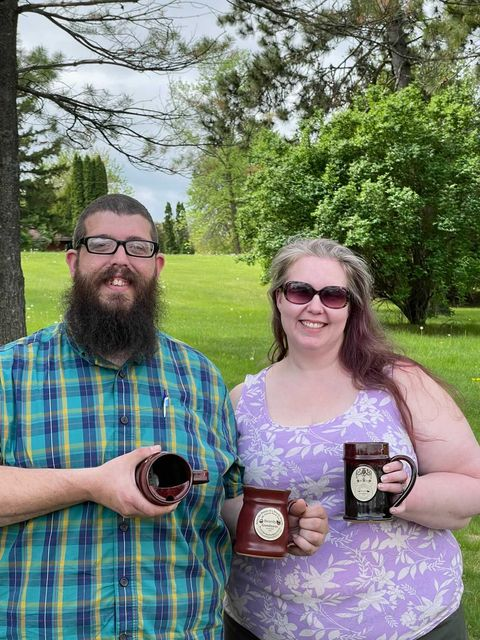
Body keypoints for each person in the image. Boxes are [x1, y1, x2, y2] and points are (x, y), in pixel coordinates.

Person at [0, 195, 326, 640]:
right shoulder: (11, 372)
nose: (120, 261)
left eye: (138, 248)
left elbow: (223, 501)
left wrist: (277, 524)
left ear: (157, 266)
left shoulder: (199, 377)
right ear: (74, 262)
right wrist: (90, 484)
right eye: (102, 245)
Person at [224, 237, 480, 640]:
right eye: (300, 291)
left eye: (333, 295)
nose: (315, 306)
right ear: (279, 299)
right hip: (265, 623)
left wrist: (405, 493)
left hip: (408, 623)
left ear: (352, 308)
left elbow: (472, 484)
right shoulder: (243, 401)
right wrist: (278, 523)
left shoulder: (399, 383)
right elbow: (221, 500)